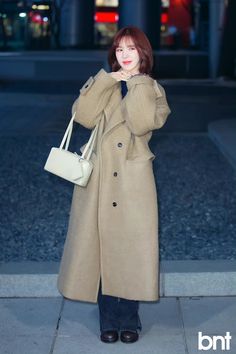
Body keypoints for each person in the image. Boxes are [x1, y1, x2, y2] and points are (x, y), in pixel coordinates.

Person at [57, 26, 171, 344]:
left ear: (143, 54)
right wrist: (107, 81)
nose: (124, 55)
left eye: (131, 49)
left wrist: (137, 84)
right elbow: (82, 115)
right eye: (119, 49)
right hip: (100, 180)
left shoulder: (152, 89)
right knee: (101, 248)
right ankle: (108, 318)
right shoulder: (104, 83)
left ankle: (129, 319)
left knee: (131, 250)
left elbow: (140, 123)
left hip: (134, 182)